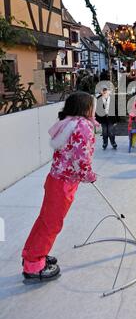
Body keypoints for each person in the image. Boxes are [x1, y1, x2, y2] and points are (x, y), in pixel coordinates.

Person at [22, 92, 98, 283]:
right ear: (85, 108)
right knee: (51, 223)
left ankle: (32, 254)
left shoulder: (68, 122)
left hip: (55, 179)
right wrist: (89, 176)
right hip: (64, 183)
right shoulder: (83, 126)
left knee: (45, 220)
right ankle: (33, 264)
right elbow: (81, 158)